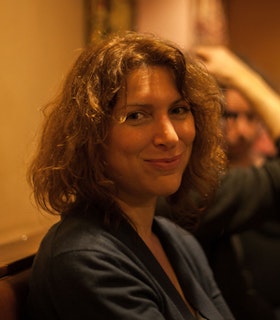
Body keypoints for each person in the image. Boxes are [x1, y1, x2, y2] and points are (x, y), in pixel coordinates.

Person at [27, 32, 234, 320]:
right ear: (91, 136)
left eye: (178, 110)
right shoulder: (85, 259)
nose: (170, 136)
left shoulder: (179, 242)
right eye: (137, 116)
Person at [193, 46, 280, 319]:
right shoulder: (194, 190)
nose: (240, 131)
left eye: (251, 116)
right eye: (228, 116)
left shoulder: (268, 171)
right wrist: (243, 78)